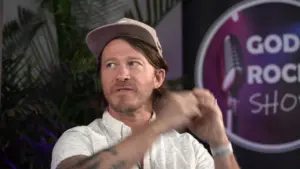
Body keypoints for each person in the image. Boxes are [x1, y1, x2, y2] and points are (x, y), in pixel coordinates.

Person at [51, 18, 240, 169]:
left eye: (133, 63)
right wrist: (160, 125)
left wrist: (220, 144)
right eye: (110, 65)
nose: (121, 75)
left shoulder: (187, 147)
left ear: (158, 78)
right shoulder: (79, 139)